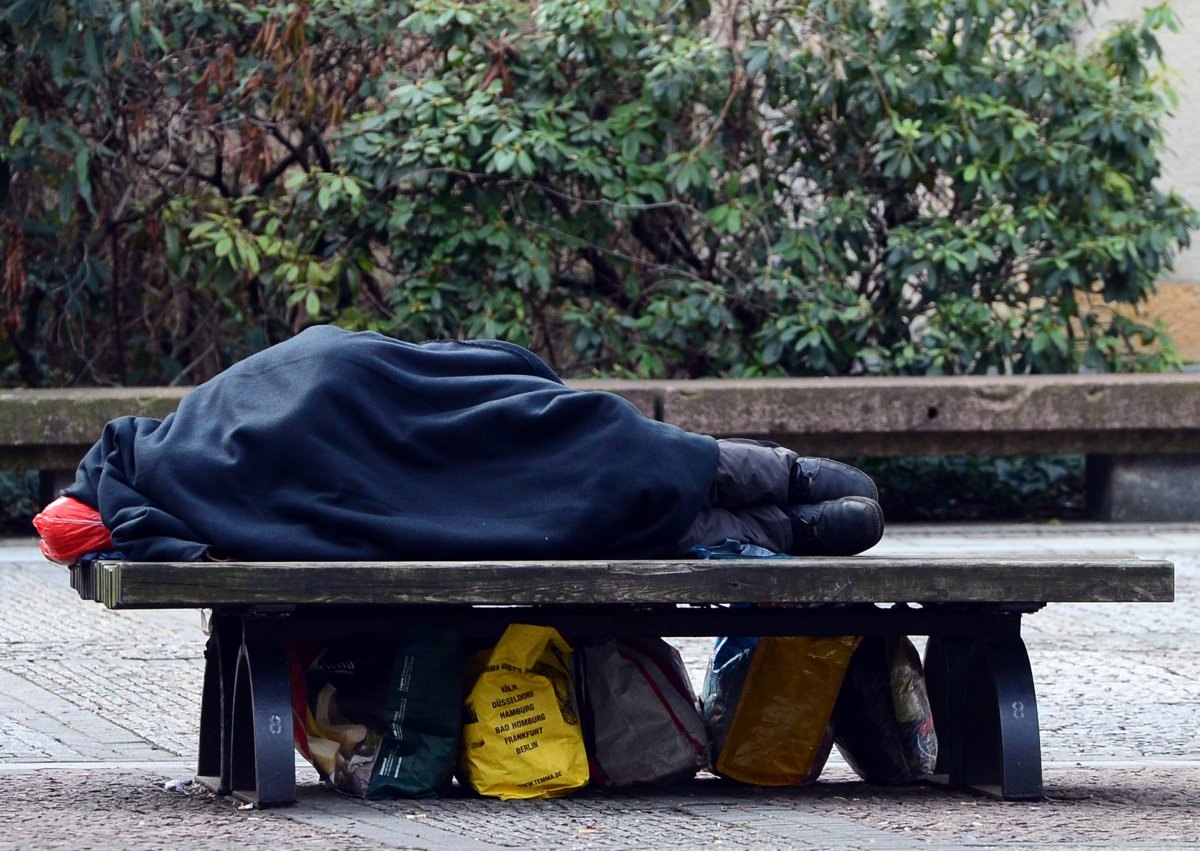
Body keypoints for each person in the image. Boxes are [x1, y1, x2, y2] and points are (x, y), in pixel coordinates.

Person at [57, 326, 882, 563]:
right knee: (591, 439)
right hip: (415, 408)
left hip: (411, 426)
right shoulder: (207, 417)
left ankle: (787, 518)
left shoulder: (193, 491)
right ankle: (788, 491)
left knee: (574, 492)